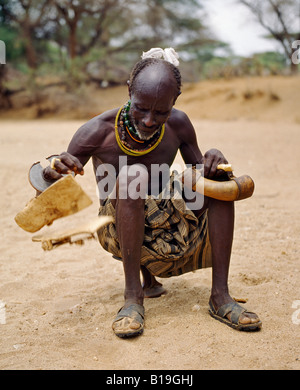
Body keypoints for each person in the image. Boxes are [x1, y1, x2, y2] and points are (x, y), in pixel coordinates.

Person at [38, 48, 261, 338]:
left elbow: (198, 175)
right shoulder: (96, 131)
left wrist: (214, 162)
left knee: (219, 185)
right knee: (132, 176)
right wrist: (50, 170)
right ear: (129, 90)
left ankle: (220, 296)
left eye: (161, 112)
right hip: (117, 226)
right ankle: (133, 298)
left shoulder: (179, 124)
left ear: (175, 101)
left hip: (169, 221)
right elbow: (47, 189)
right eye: (141, 108)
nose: (148, 121)